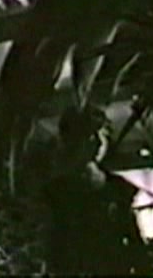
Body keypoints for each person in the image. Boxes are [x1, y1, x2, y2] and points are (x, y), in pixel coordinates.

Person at [46, 107, 142, 275]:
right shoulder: (55, 192)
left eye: (102, 136)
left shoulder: (118, 187)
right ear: (71, 141)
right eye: (90, 136)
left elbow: (134, 240)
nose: (98, 143)